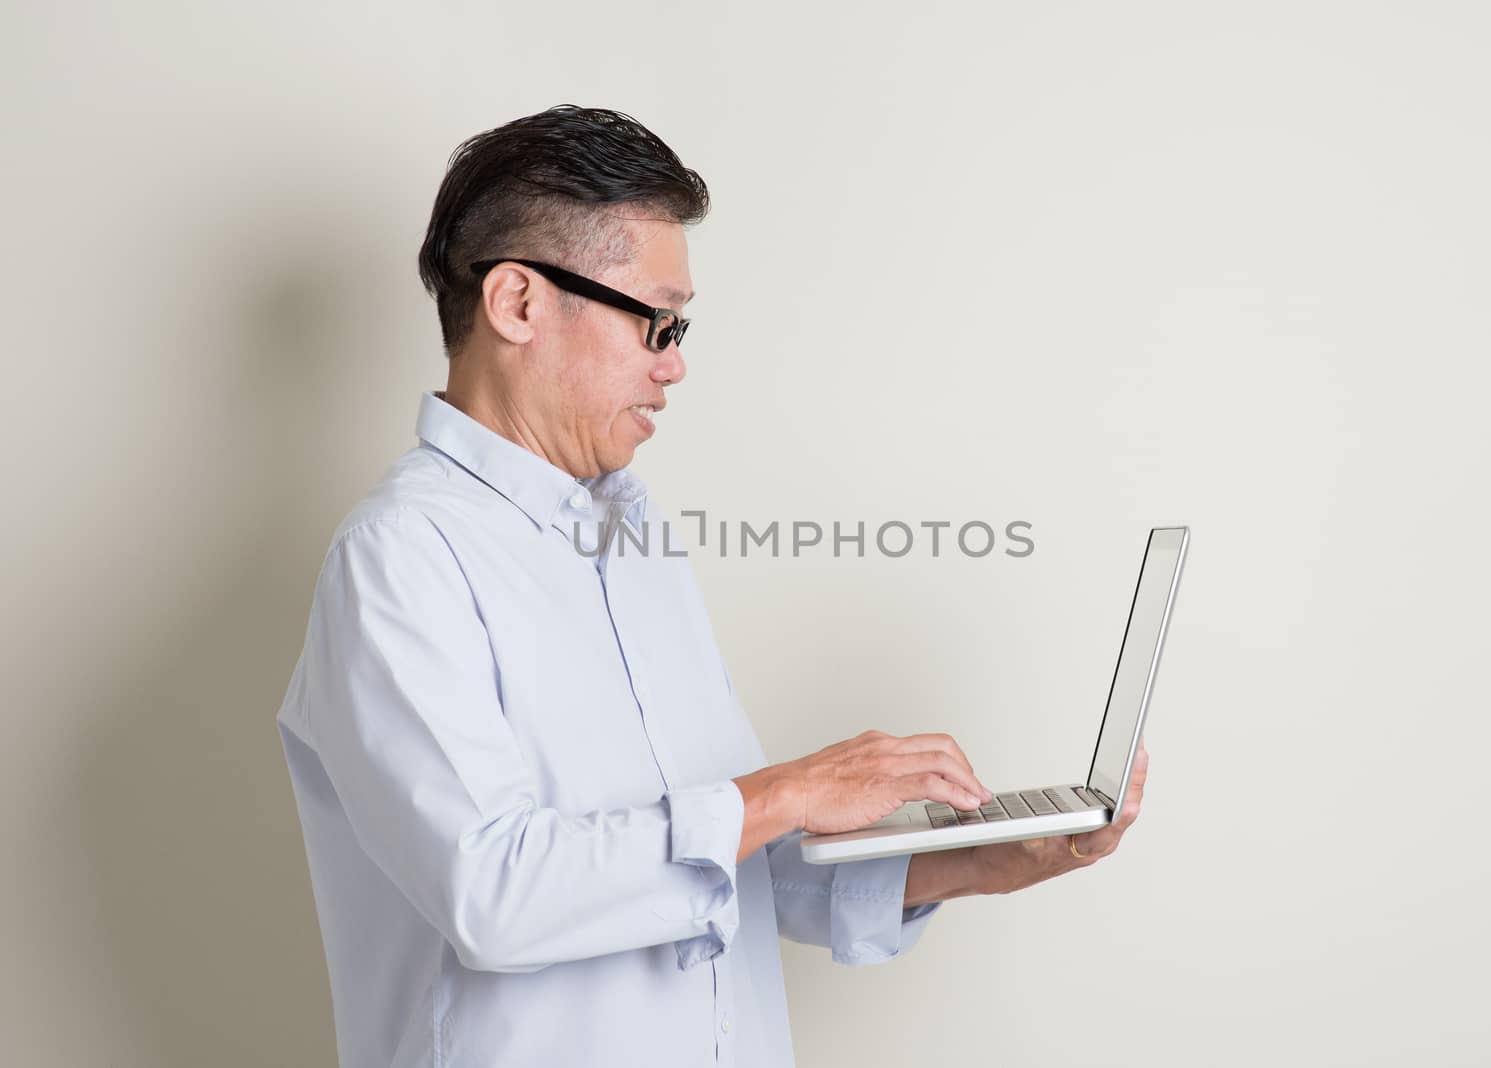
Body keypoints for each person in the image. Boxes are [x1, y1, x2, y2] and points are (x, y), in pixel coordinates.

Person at [275, 104, 1149, 1068]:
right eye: (655, 321)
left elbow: (729, 863)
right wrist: (787, 790)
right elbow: (495, 893)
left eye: (678, 326)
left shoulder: (628, 533)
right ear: (518, 303)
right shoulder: (402, 558)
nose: (676, 363)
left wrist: (990, 858)